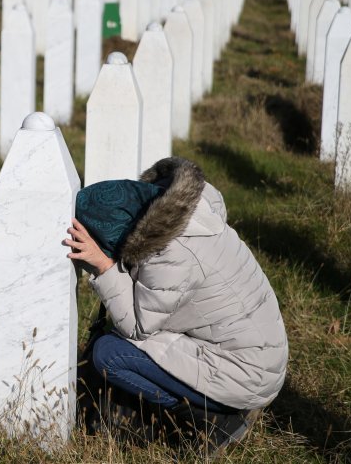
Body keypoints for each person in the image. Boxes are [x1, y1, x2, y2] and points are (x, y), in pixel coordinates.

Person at [65, 157, 288, 454]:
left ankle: (214, 420)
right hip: (254, 355)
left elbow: (136, 327)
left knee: (110, 354)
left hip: (246, 373)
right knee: (114, 343)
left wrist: (105, 267)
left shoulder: (171, 252)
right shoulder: (187, 215)